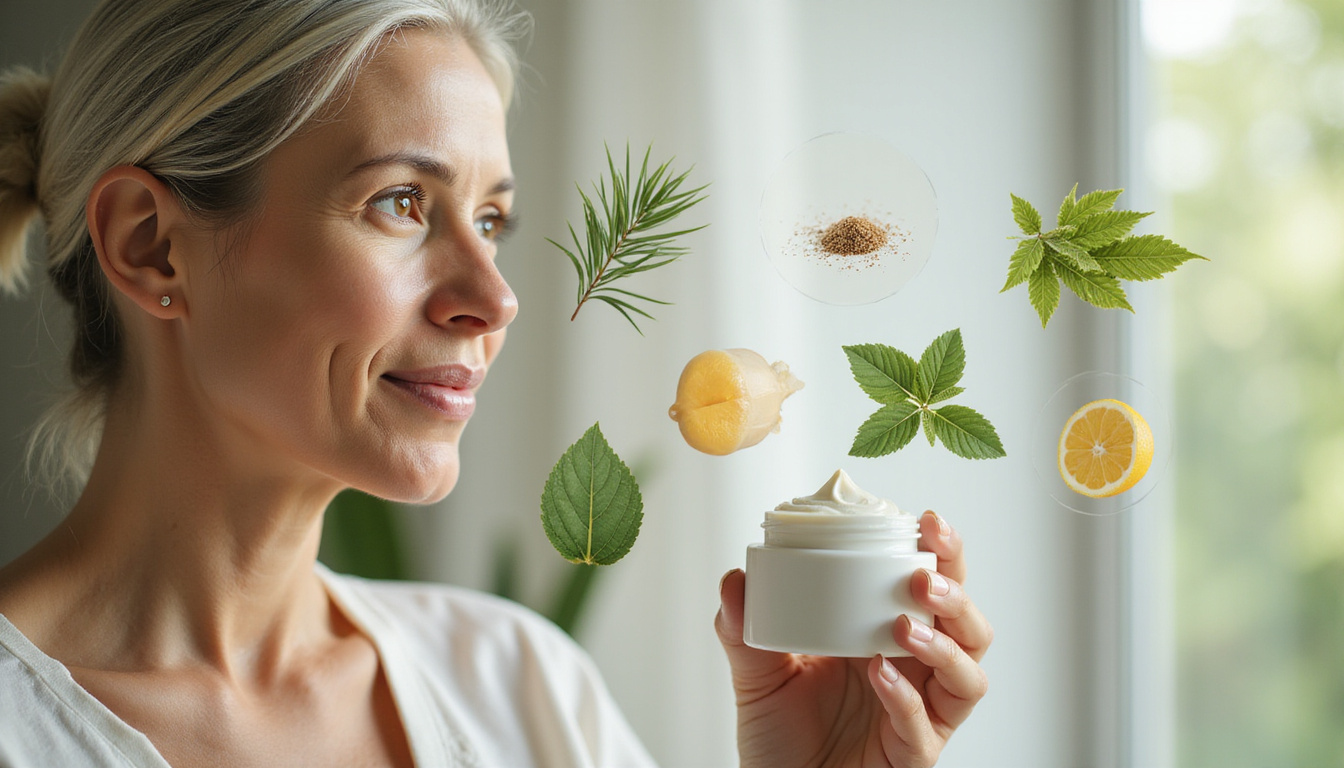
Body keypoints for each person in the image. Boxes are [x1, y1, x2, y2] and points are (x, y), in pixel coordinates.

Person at [0, 0, 993, 765]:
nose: (494, 298)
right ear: (151, 246)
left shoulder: (519, 688)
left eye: (490, 221)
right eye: (400, 203)